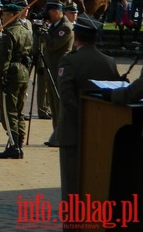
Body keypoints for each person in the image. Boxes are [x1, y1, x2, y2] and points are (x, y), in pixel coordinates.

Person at [56, 15, 120, 201]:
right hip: (100, 132)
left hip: (73, 131)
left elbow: (67, 98)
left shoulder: (70, 61)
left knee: (72, 184)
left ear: (76, 37)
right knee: (95, 181)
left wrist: (84, 118)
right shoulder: (109, 61)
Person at [0, 1, 33, 159]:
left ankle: (14, 144)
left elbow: (4, 57)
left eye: (4, 15)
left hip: (12, 71)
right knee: (19, 110)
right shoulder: (26, 31)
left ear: (11, 16)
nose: (2, 17)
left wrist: (1, 75)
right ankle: (19, 142)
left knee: (8, 110)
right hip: (24, 71)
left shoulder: (8, 33)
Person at [40, 0, 74, 147]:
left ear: (55, 12)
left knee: (59, 104)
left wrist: (44, 34)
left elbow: (54, 45)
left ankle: (62, 135)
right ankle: (56, 135)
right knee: (53, 104)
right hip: (51, 68)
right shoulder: (54, 26)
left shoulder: (65, 27)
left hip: (60, 70)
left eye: (49, 13)